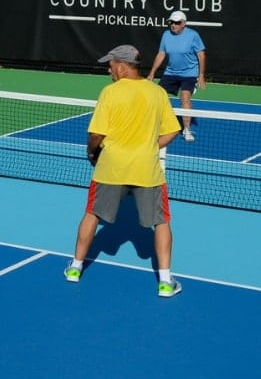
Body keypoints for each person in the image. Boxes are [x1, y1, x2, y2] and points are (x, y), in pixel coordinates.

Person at [65, 45, 183, 297]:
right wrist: (150, 146)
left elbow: (96, 134)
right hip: (146, 169)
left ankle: (75, 268)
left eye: (110, 64)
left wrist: (90, 153)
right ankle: (165, 282)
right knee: (161, 221)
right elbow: (173, 130)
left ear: (122, 65)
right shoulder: (157, 92)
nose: (109, 69)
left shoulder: (110, 92)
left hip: (110, 168)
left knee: (91, 214)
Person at [147, 11, 206, 142]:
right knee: (157, 95)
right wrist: (152, 73)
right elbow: (161, 54)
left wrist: (201, 75)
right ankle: (156, 125)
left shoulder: (193, 35)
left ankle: (186, 129)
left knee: (184, 97)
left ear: (183, 24)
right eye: (171, 22)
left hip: (189, 73)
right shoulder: (166, 35)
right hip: (170, 73)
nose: (173, 25)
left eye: (177, 23)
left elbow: (201, 55)